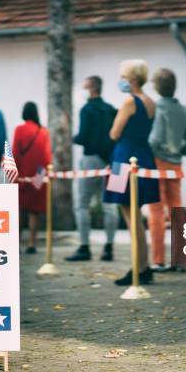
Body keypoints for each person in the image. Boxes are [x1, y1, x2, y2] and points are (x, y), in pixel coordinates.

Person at [104, 59, 160, 286]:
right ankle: (143, 266)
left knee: (130, 215)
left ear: (132, 79)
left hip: (123, 158)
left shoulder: (129, 101)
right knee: (136, 214)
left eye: (123, 76)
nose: (120, 81)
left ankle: (138, 267)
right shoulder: (151, 102)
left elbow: (114, 133)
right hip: (144, 155)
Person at [66, 76, 119, 262]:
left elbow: (83, 136)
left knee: (82, 203)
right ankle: (109, 248)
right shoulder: (112, 110)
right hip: (114, 161)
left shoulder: (86, 110)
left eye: (84, 87)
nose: (83, 90)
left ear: (91, 89)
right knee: (110, 205)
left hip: (90, 160)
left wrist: (73, 138)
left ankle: (84, 247)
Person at [147, 68, 186, 272]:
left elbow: (155, 139)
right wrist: (180, 151)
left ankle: (158, 259)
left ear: (157, 86)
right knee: (176, 210)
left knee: (156, 210)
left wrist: (149, 149)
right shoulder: (182, 110)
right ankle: (180, 260)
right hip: (176, 164)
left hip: (157, 162)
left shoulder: (158, 108)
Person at [13, 102, 52, 254]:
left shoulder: (19, 130)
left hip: (23, 174)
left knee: (20, 209)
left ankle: (16, 243)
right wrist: (43, 175)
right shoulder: (44, 131)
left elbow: (15, 153)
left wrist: (14, 174)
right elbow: (47, 156)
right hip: (39, 174)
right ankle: (32, 243)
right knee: (34, 211)